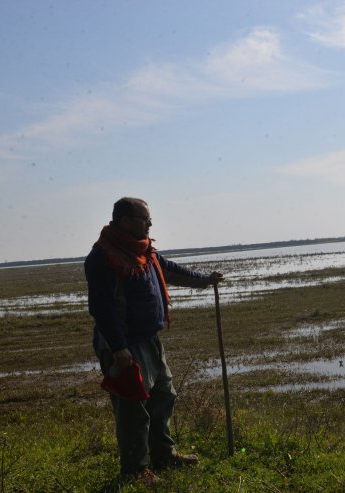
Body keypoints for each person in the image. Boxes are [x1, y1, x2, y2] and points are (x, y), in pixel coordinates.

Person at [85, 197, 223, 486]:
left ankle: (163, 454)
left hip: (150, 340)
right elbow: (103, 307)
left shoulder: (145, 252)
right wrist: (119, 347)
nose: (150, 224)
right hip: (124, 345)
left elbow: (173, 271)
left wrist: (206, 280)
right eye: (144, 219)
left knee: (163, 396)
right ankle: (135, 469)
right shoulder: (104, 256)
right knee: (133, 407)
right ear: (125, 220)